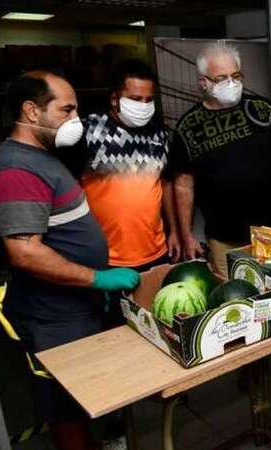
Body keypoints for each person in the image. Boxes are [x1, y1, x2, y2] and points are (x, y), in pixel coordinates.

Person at [0, 71, 139, 450]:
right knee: (64, 407)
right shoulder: (16, 170)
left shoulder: (40, 156)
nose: (75, 120)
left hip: (73, 306)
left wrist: (91, 280)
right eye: (66, 110)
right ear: (31, 111)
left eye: (76, 110)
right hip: (52, 318)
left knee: (86, 399)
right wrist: (99, 279)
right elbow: (25, 252)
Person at [170, 42, 271, 275]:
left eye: (236, 76)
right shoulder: (187, 127)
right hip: (224, 241)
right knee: (234, 299)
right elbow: (183, 186)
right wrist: (186, 234)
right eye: (221, 78)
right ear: (203, 82)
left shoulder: (263, 111)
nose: (231, 83)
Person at [67, 59, 179, 327]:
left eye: (148, 99)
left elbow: (165, 184)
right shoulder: (87, 132)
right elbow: (66, 188)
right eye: (135, 98)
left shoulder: (161, 135)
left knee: (157, 323)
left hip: (155, 253)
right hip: (106, 261)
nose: (143, 106)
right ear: (115, 99)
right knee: (114, 331)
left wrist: (174, 231)